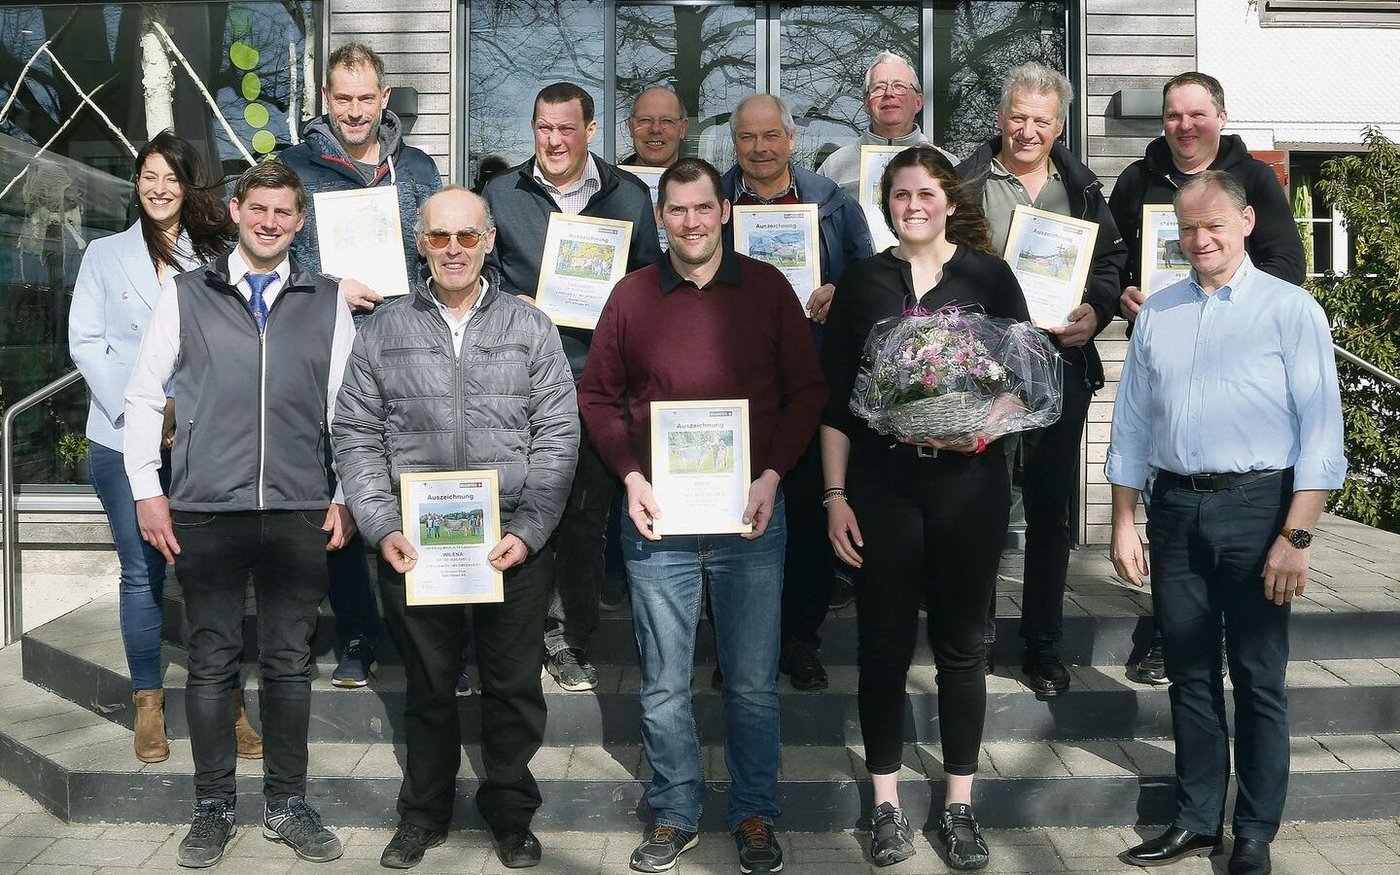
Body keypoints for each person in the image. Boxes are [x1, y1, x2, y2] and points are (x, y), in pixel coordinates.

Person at [578, 157, 826, 875]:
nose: (691, 222)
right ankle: (675, 811)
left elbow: (807, 392)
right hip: (659, 520)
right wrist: (630, 477)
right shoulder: (631, 296)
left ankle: (754, 811)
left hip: (750, 516)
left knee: (751, 681)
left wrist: (773, 474)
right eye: (677, 210)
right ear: (660, 218)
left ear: (725, 212)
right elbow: (598, 397)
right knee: (663, 682)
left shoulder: (768, 289)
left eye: (702, 208)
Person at [1107, 171, 1345, 875]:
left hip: (1260, 510)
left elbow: (1321, 433)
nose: (1200, 239)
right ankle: (1195, 819)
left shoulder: (1290, 310)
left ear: (1246, 222)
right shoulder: (1159, 313)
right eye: (1187, 228)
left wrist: (1296, 537)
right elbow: (1131, 424)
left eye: (1213, 225)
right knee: (1188, 673)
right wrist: (1123, 519)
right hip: (1175, 510)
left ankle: (1255, 832)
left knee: (1258, 675)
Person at [334, 186, 579, 871]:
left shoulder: (531, 327)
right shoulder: (383, 329)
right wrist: (380, 523)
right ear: (419, 243)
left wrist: (530, 528)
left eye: (466, 236)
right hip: (417, 547)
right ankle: (424, 814)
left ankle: (510, 814)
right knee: (427, 688)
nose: (453, 250)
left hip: (511, 543)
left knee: (513, 689)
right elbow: (355, 432)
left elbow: (559, 434)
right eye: (439, 237)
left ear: (489, 240)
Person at [124, 162, 354, 868]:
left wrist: (345, 493)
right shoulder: (186, 293)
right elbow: (142, 395)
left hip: (297, 508)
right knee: (211, 662)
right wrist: (146, 488)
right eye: (259, 209)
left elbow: (349, 409)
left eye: (284, 212)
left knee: (288, 664)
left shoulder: (328, 298)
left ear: (300, 221)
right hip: (205, 508)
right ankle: (213, 807)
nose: (270, 222)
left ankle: (286, 804)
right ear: (235, 210)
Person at [821, 146, 1030, 870]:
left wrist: (982, 423)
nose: (913, 205)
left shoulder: (988, 276)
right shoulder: (863, 281)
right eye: (900, 194)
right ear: (887, 204)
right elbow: (836, 402)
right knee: (882, 646)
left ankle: (958, 806)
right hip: (883, 485)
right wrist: (835, 497)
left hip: (969, 484)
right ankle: (885, 805)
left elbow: (1025, 379)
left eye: (926, 193)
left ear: (948, 200)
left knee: (961, 648)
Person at [68, 131, 261, 764]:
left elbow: (235, 339)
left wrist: (184, 406)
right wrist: (143, 410)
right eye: (149, 176)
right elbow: (86, 342)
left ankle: (229, 700)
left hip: (201, 435)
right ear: (137, 183)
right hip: (121, 434)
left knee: (213, 572)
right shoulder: (103, 254)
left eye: (171, 178)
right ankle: (147, 704)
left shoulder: (215, 257)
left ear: (187, 186)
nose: (158, 188)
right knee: (140, 571)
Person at [1107, 71, 1306, 685]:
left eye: (1197, 114)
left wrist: (1222, 305)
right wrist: (1123, 296)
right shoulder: (1136, 180)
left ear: (1220, 117)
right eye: (1173, 115)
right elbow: (1109, 260)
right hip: (1167, 360)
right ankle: (1169, 635)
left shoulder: (1255, 180)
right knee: (1174, 519)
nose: (1185, 126)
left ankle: (1206, 638)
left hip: (1237, 366)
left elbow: (1287, 263)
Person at [482, 81, 663, 693]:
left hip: (595, 381)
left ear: (590, 130)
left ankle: (568, 638)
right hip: (517, 381)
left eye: (566, 128)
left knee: (585, 518)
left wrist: (620, 310)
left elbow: (650, 280)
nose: (554, 140)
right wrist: (513, 300)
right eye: (543, 127)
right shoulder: (501, 194)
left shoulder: (628, 195)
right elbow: (480, 275)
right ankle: (511, 630)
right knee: (516, 507)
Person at [957, 62, 1127, 695]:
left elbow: (1110, 263)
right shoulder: (966, 183)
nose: (1028, 130)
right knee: (979, 505)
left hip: (1060, 365)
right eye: (1018, 116)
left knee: (1051, 511)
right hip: (986, 373)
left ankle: (1042, 645)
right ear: (1001, 117)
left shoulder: (1082, 189)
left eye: (1042, 120)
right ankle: (973, 639)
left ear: (1060, 126)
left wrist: (1097, 312)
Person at [278, 41, 443, 688]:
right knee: (341, 494)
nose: (353, 111)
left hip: (409, 354)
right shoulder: (294, 168)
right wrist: (329, 288)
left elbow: (441, 255)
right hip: (329, 354)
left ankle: (427, 634)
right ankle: (356, 632)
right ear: (326, 99)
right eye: (342, 99)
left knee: (413, 489)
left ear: (384, 98)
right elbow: (270, 254)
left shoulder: (419, 169)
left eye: (365, 98)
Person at [722, 92, 873, 691]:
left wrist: (841, 289)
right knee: (734, 521)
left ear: (791, 139)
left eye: (770, 136)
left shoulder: (832, 203)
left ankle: (800, 642)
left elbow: (869, 276)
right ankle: (736, 651)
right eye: (747, 137)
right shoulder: (716, 202)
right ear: (734, 143)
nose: (759, 148)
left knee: (809, 524)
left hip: (810, 381)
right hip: (732, 389)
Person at [817, 50, 958, 200]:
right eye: (879, 87)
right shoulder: (835, 167)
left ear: (918, 102)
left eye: (899, 86)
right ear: (866, 103)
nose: (889, 93)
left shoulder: (949, 165)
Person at [621, 86, 689, 168]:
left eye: (666, 121)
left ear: (682, 128)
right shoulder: (609, 176)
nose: (655, 129)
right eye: (646, 120)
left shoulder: (700, 176)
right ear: (631, 126)